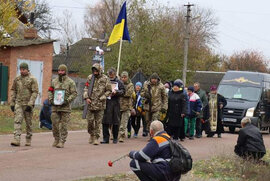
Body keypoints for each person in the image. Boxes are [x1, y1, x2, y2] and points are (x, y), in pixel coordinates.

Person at [48, 64, 77, 148]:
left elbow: (74, 93)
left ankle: (62, 141)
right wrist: (51, 99)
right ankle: (56, 139)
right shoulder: (54, 81)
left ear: (65, 71)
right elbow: (50, 90)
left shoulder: (70, 82)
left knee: (64, 125)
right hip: (55, 107)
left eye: (62, 71)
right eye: (59, 71)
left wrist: (67, 100)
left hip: (65, 107)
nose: (60, 72)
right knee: (54, 124)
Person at [10, 62, 39, 146]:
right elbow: (14, 90)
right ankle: (16, 139)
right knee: (17, 121)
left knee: (28, 123)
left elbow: (35, 92)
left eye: (23, 69)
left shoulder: (32, 79)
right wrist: (12, 102)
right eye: (21, 69)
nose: (22, 71)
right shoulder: (17, 79)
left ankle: (28, 138)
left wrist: (30, 104)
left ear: (27, 69)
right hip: (19, 103)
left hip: (28, 104)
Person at [83, 63, 112, 145]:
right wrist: (86, 97)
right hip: (90, 104)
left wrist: (103, 97)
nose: (95, 72)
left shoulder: (105, 78)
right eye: (93, 70)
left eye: (96, 70)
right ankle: (91, 134)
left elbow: (109, 91)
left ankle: (96, 137)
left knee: (98, 122)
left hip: (100, 104)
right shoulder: (90, 78)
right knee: (90, 122)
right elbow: (85, 88)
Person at [101, 68, 125, 144]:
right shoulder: (105, 81)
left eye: (112, 74)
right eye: (109, 74)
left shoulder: (119, 82)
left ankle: (115, 138)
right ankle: (105, 138)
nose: (111, 75)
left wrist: (117, 92)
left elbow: (123, 91)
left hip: (115, 103)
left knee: (115, 121)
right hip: (106, 103)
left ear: (114, 74)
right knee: (105, 121)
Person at [119, 71, 134, 142]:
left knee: (124, 123)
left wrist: (120, 92)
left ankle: (121, 135)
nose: (123, 79)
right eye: (122, 77)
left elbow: (128, 93)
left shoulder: (130, 85)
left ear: (127, 77)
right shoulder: (118, 84)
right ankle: (115, 134)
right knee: (117, 122)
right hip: (118, 106)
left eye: (125, 77)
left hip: (127, 106)